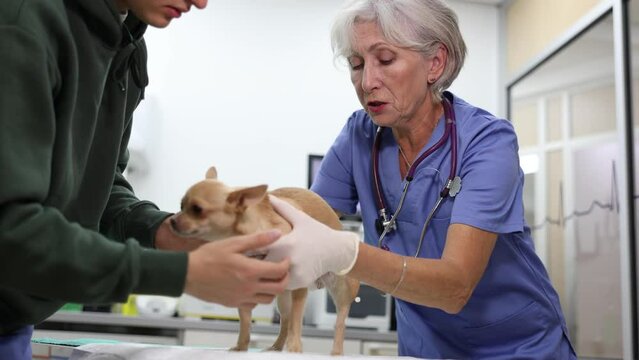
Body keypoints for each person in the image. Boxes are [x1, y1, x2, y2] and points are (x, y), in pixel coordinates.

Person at [264, 0, 577, 358]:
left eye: (385, 60)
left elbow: (455, 287)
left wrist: (345, 252)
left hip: (517, 347)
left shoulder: (487, 142)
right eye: (356, 65)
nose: (367, 82)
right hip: (423, 349)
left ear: (435, 63)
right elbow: (304, 224)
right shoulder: (358, 137)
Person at [0, 1, 290, 358]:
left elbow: (100, 187)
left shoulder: (127, 45)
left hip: (13, 324)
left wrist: (160, 231)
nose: (200, 1)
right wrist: (179, 273)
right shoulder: (22, 26)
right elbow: (10, 228)